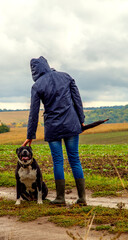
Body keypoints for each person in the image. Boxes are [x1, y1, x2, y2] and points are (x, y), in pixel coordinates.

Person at [22, 56, 86, 205]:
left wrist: (30, 135)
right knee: (75, 159)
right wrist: (81, 119)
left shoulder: (37, 86)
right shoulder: (66, 77)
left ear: (34, 71)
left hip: (53, 127)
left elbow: (34, 112)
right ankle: (82, 198)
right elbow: (77, 99)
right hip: (71, 124)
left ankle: (60, 198)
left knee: (58, 161)